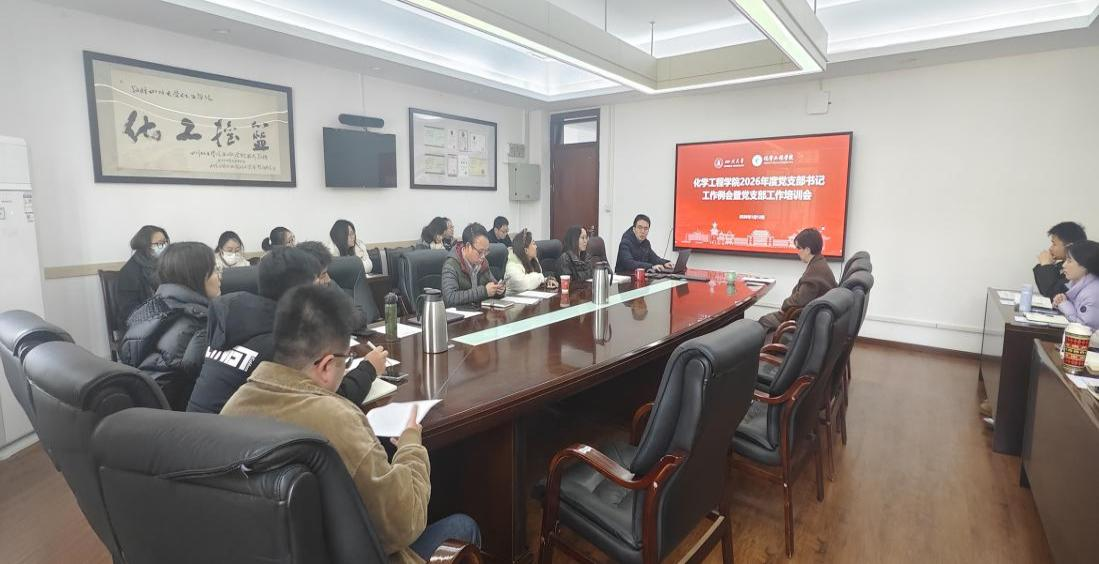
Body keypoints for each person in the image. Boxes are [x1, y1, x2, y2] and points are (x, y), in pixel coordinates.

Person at [221, 284, 480, 562]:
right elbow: (404, 524)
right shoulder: (337, 419)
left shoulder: (232, 408)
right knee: (464, 526)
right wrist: (410, 447)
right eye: (347, 362)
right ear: (326, 366)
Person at [187, 246, 386, 414]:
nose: (323, 285)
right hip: (239, 445)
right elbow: (327, 401)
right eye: (317, 280)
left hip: (197, 436)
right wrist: (369, 368)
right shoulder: (285, 340)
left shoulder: (236, 317)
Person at [119, 242, 219, 410]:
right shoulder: (199, 320)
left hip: (145, 408)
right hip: (180, 415)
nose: (220, 277)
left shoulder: (151, 308)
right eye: (215, 270)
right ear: (197, 275)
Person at [757, 228, 837, 330]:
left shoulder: (814, 273)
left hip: (803, 320)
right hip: (810, 317)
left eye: (799, 248)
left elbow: (800, 300)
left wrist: (784, 305)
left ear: (807, 250)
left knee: (763, 321)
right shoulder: (820, 263)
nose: (797, 252)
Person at [297, 240, 374, 329]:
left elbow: (360, 316)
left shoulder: (329, 286)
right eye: (323, 275)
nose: (327, 279)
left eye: (326, 272)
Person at [116, 225, 169, 327]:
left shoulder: (166, 264)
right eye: (159, 244)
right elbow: (129, 310)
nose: (164, 246)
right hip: (140, 325)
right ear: (145, 247)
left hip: (165, 318)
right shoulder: (129, 272)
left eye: (165, 242)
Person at [441, 222, 503, 307]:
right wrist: (484, 291)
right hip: (461, 314)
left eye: (486, 251)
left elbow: (493, 284)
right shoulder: (451, 265)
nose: (483, 256)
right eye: (480, 252)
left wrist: (499, 290)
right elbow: (450, 298)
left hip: (479, 311)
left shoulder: (483, 262)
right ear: (468, 246)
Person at [1034, 221, 1087, 298]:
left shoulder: (1080, 269)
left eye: (1054, 244)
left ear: (1069, 246)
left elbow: (1052, 292)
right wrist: (1046, 265)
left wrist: (1046, 265)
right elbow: (1044, 290)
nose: (1050, 248)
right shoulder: (1061, 265)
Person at [1054, 240, 1099, 329]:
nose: (1064, 265)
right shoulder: (1081, 285)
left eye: (1069, 261)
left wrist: (1064, 305)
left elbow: (1084, 329)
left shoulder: (1093, 294)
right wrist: (1062, 302)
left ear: (1085, 265)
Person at [504, 229, 558, 295]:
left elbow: (534, 280)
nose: (536, 247)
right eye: (533, 244)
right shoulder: (512, 265)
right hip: (514, 300)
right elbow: (523, 284)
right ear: (526, 250)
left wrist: (546, 280)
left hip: (532, 298)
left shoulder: (533, 260)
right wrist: (541, 277)